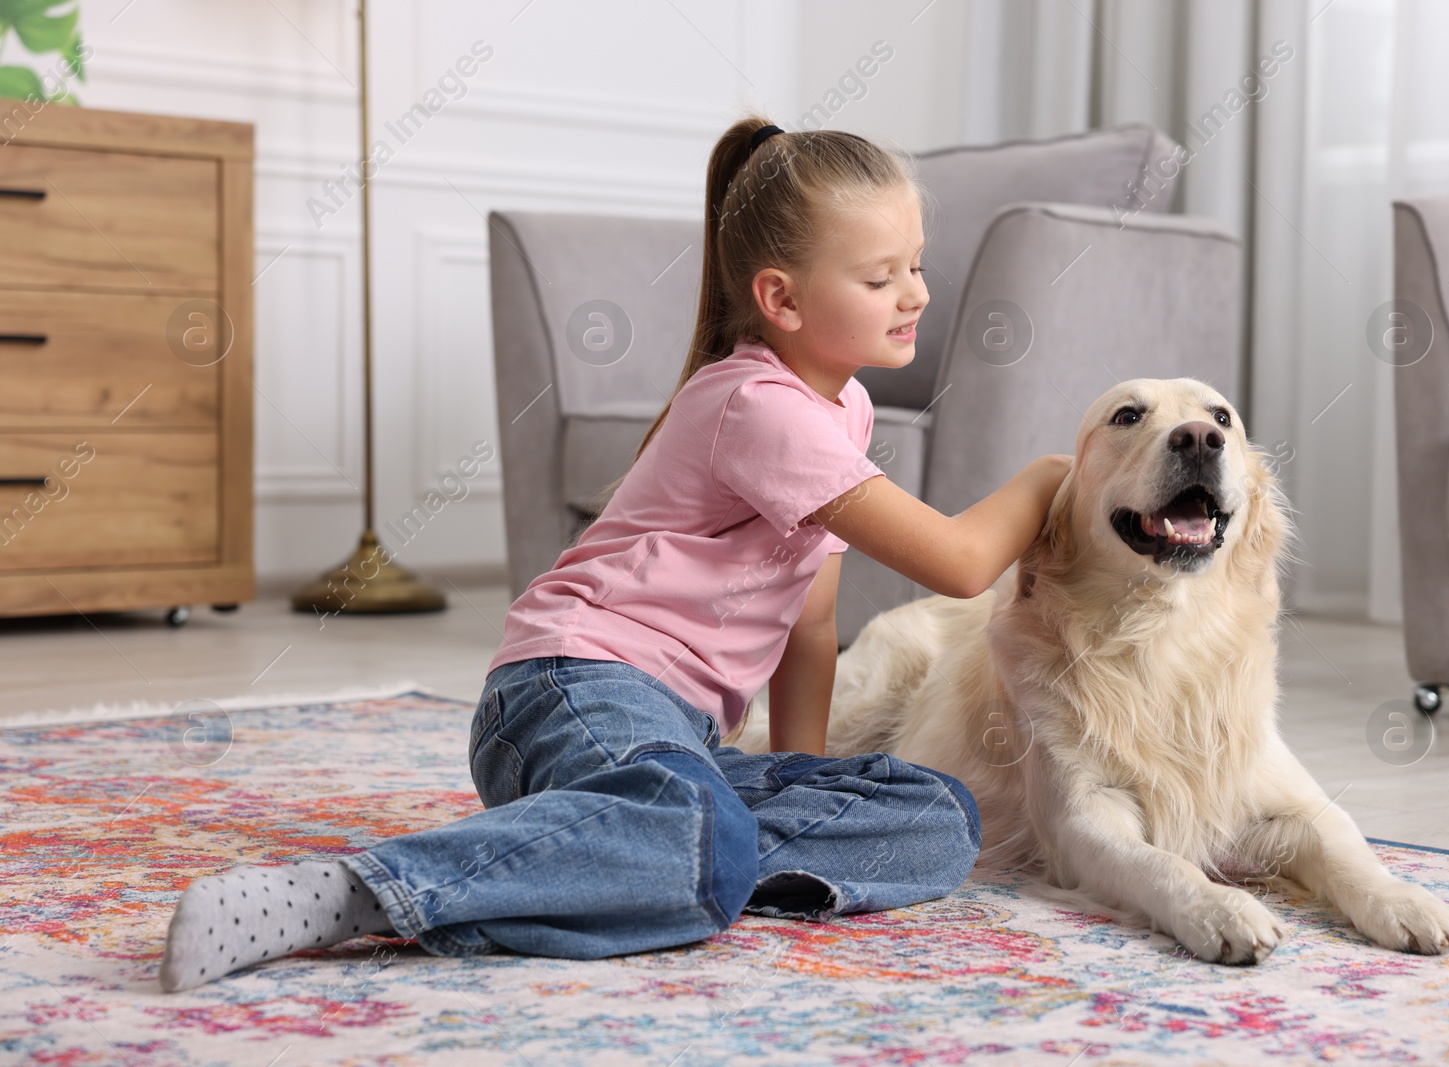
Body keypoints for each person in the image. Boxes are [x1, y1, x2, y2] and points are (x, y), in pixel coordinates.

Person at [158, 117, 1072, 993]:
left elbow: (814, 623)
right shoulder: (759, 406)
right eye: (880, 278)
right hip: (570, 687)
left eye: (915, 266)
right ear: (780, 298)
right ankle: (359, 889)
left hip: (674, 742)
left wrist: (805, 777)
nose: (915, 293)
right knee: (695, 824)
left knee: (937, 820)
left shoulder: (847, 412)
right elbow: (958, 562)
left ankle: (631, 860)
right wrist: (1047, 477)